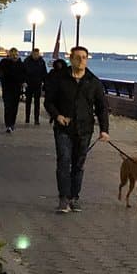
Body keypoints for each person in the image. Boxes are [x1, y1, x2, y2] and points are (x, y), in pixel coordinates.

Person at [43, 46, 109, 214]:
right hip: (64, 128)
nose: (81, 61)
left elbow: (102, 107)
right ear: (71, 59)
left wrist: (104, 130)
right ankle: (63, 198)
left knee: (78, 164)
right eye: (78, 57)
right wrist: (57, 115)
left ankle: (74, 197)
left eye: (84, 57)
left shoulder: (93, 82)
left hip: (85, 129)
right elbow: (49, 101)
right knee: (64, 161)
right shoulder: (59, 79)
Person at [0, 48, 25, 132]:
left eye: (16, 55)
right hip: (7, 88)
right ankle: (8, 124)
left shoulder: (20, 64)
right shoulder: (4, 62)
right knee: (8, 106)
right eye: (13, 54)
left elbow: (24, 75)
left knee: (14, 107)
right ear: (10, 55)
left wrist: (23, 82)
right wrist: (2, 78)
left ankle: (12, 123)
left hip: (17, 88)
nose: (14, 56)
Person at [22, 48, 49, 124]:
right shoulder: (27, 61)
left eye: (37, 54)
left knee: (37, 103)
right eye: (34, 54)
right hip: (29, 84)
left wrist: (45, 83)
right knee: (28, 102)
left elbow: (44, 73)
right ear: (32, 54)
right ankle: (27, 118)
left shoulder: (41, 62)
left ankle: (36, 119)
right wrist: (24, 81)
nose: (36, 56)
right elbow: (23, 72)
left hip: (38, 84)